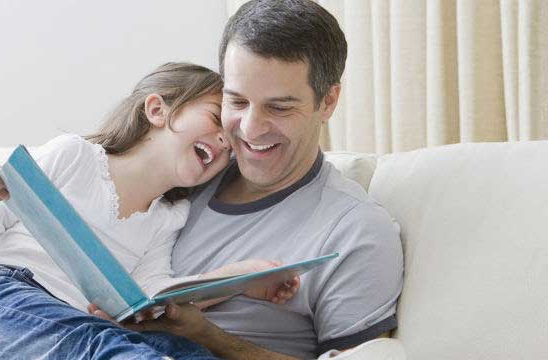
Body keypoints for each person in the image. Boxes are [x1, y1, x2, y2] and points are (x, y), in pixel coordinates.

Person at [92, 1, 404, 359]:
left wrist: (206, 335)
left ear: (328, 101)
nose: (251, 129)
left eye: (279, 107)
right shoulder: (186, 176)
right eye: (237, 101)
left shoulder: (356, 231)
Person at [0, 62, 299, 359]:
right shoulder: (76, 156)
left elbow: (152, 296)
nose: (224, 142)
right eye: (214, 118)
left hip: (76, 327)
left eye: (231, 148)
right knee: (108, 348)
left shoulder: (168, 218)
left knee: (184, 351)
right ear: (157, 110)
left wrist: (240, 280)